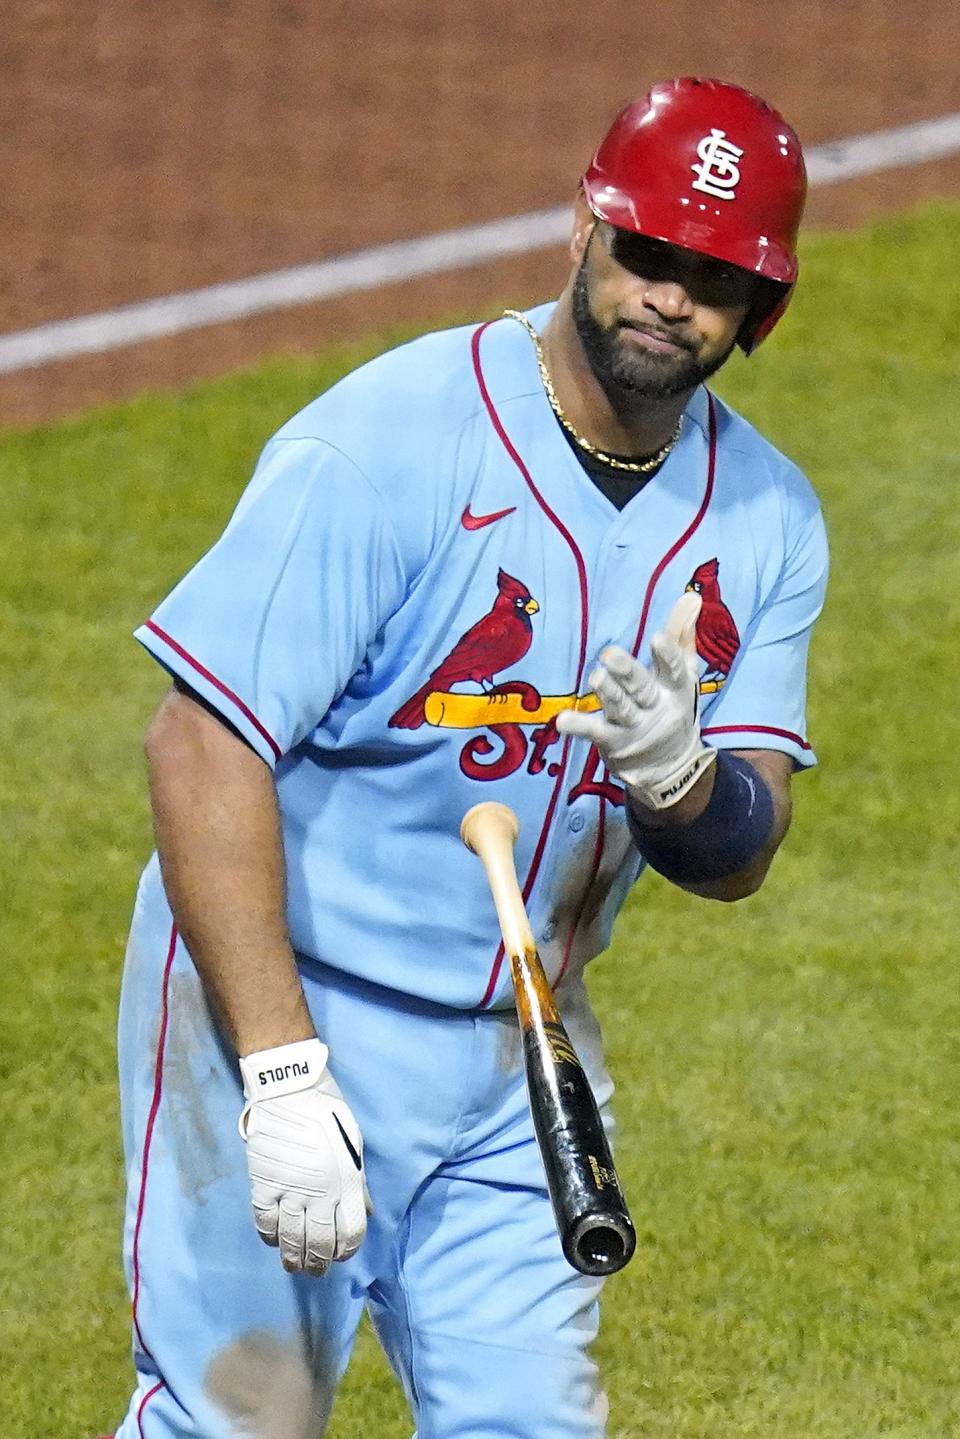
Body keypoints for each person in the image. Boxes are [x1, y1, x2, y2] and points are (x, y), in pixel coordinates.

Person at [107, 76, 827, 1439]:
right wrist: (278, 1073)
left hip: (521, 1061)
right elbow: (200, 743)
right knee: (235, 1424)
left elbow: (741, 852)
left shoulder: (771, 517)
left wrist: (680, 782)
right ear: (583, 232)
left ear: (759, 312)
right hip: (282, 1000)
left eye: (714, 278)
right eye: (648, 253)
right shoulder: (386, 442)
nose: (670, 298)